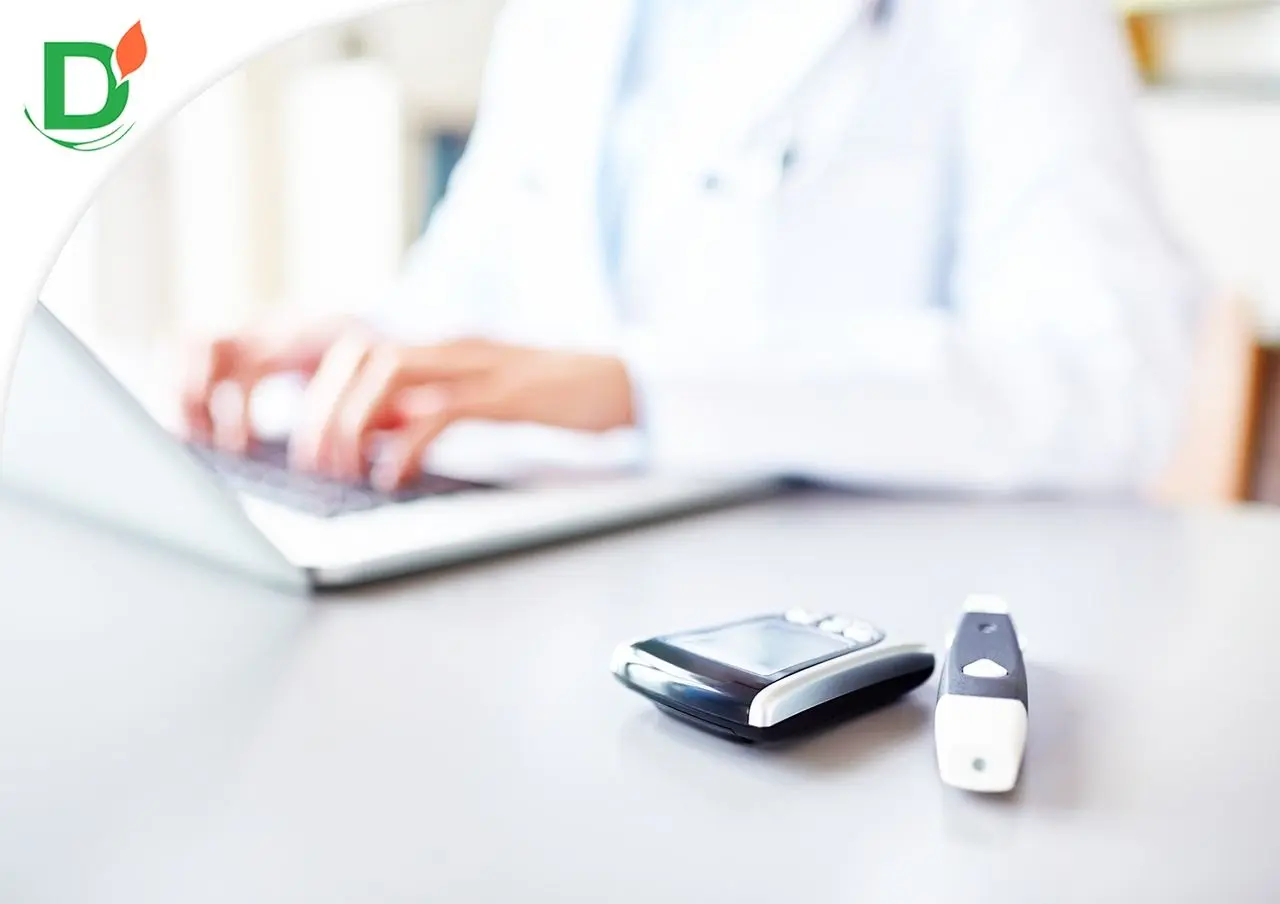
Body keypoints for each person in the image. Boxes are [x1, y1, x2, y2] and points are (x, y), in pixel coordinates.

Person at [181, 0, 1205, 496]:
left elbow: (1105, 386)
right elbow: (488, 276)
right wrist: (367, 343)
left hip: (858, 625)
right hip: (562, 573)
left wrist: (637, 387)